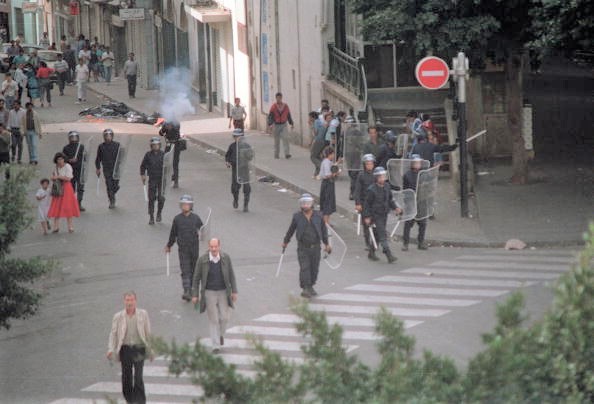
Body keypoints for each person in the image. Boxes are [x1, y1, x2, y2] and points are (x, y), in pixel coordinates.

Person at [191, 238, 238, 354]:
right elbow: (196, 278)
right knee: (214, 320)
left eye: (215, 246)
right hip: (209, 292)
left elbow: (231, 274)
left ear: (219, 246)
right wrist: (195, 294)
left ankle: (220, 335)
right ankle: (215, 345)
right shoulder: (202, 260)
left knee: (225, 318)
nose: (213, 249)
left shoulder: (225, 258)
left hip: (223, 291)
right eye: (211, 247)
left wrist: (234, 291)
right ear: (209, 247)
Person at [107, 291, 153, 404]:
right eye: (127, 300)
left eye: (132, 300)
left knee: (138, 377)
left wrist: (151, 349)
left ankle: (141, 401)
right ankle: (130, 400)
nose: (129, 303)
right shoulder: (118, 317)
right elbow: (113, 334)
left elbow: (148, 333)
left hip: (139, 349)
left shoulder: (143, 314)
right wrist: (110, 349)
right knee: (126, 378)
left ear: (135, 301)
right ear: (124, 301)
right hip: (125, 349)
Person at [282, 193, 331, 298]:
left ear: (312, 204)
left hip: (316, 247)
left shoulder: (319, 216)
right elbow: (291, 230)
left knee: (314, 269)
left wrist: (327, 244)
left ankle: (310, 286)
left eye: (307, 203)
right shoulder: (297, 217)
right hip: (303, 248)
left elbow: (323, 231)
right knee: (305, 268)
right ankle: (305, 288)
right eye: (303, 203)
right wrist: (286, 241)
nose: (305, 205)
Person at [165, 194, 203, 302]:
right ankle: (186, 290)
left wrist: (206, 237)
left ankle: (193, 290)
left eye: (187, 204)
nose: (185, 206)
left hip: (194, 248)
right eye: (183, 204)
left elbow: (203, 230)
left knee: (194, 269)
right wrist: (169, 245)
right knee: (185, 269)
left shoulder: (196, 218)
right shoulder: (177, 219)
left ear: (191, 206)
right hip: (183, 249)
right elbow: (173, 233)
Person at [363, 167, 400, 263]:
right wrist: (367, 217)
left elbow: (390, 200)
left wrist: (396, 208)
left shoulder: (387, 187)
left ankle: (371, 253)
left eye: (384, 176)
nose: (383, 178)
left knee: (377, 234)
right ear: (377, 178)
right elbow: (366, 204)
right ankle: (388, 255)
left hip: (384, 214)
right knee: (382, 234)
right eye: (381, 177)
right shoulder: (371, 190)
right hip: (375, 215)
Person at [48, 152, 80, 233]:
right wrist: (53, 178)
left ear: (64, 159)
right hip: (58, 187)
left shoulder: (68, 166)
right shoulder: (56, 167)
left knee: (68, 206)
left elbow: (69, 178)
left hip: (67, 187)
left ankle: (70, 226)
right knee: (57, 206)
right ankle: (56, 226)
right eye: (58, 159)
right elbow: (53, 176)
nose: (60, 161)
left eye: (61, 159)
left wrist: (58, 177)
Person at [402, 157, 429, 251]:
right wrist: (406, 202)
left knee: (423, 223)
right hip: (411, 202)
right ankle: (405, 243)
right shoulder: (407, 175)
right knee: (408, 223)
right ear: (412, 164)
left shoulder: (423, 174)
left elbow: (428, 186)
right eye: (416, 163)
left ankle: (420, 242)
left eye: (419, 163)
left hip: (421, 201)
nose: (418, 165)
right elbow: (405, 190)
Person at [224, 129, 253, 212]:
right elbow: (227, 156)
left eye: (239, 136)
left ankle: (246, 205)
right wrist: (227, 162)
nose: (237, 138)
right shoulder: (232, 146)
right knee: (235, 188)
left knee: (247, 188)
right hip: (235, 169)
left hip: (244, 169)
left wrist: (248, 154)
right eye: (235, 137)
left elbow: (251, 156)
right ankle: (235, 200)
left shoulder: (247, 146)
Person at [140, 137, 165, 224]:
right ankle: (151, 216)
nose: (155, 147)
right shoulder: (148, 155)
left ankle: (159, 213)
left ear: (160, 145)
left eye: (157, 145)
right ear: (151, 146)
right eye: (154, 145)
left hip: (161, 179)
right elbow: (142, 166)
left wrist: (170, 177)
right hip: (152, 179)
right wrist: (143, 174)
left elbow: (168, 167)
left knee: (161, 198)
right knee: (151, 198)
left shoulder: (164, 154)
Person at [354, 154, 376, 251]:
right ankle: (368, 242)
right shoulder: (361, 175)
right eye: (367, 164)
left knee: (375, 223)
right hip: (365, 203)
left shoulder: (376, 175)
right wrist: (358, 203)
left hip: (375, 203)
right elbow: (357, 190)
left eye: (371, 164)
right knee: (366, 224)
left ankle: (375, 241)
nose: (369, 165)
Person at [95, 128, 121, 209]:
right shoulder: (101, 146)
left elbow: (121, 156)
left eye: (109, 135)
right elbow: (98, 158)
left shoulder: (117, 145)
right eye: (106, 135)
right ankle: (112, 201)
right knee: (109, 185)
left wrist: (120, 163)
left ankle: (113, 191)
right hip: (106, 169)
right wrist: (98, 168)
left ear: (112, 136)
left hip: (116, 169)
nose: (108, 137)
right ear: (104, 136)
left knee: (115, 185)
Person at [62, 131, 86, 211]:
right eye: (72, 137)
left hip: (80, 171)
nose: (74, 139)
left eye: (75, 137)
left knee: (80, 188)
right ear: (69, 138)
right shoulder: (66, 148)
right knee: (71, 188)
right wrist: (69, 160)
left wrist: (80, 161)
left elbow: (85, 158)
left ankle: (79, 204)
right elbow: (63, 159)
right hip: (70, 171)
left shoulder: (81, 147)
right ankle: (71, 204)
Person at [267, 92, 293, 159]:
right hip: (276, 125)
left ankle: (287, 153)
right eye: (277, 98)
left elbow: (288, 115)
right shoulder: (273, 106)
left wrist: (291, 123)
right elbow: (270, 116)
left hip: (284, 124)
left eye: (280, 98)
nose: (279, 99)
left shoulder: (285, 106)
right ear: (276, 98)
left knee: (286, 138)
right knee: (276, 140)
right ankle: (276, 154)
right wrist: (270, 124)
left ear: (281, 98)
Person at [159, 120, 183, 188]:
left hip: (176, 144)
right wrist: (164, 128)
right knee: (165, 160)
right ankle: (164, 179)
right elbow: (161, 133)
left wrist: (171, 127)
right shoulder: (166, 124)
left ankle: (176, 181)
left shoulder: (176, 123)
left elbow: (177, 130)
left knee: (175, 162)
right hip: (169, 144)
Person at [319, 147, 339, 224]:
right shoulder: (327, 162)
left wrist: (337, 163)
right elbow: (327, 175)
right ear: (329, 154)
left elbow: (332, 167)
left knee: (328, 202)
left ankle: (326, 221)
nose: (333, 156)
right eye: (333, 154)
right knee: (327, 202)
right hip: (327, 184)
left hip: (328, 183)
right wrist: (335, 174)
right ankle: (325, 222)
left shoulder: (327, 161)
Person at [309, 111, 328, 178]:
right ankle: (316, 173)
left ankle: (324, 169)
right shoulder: (319, 121)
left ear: (313, 117)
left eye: (310, 117)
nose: (309, 119)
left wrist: (311, 126)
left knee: (313, 157)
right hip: (322, 141)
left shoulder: (316, 122)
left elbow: (316, 133)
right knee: (317, 157)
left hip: (319, 140)